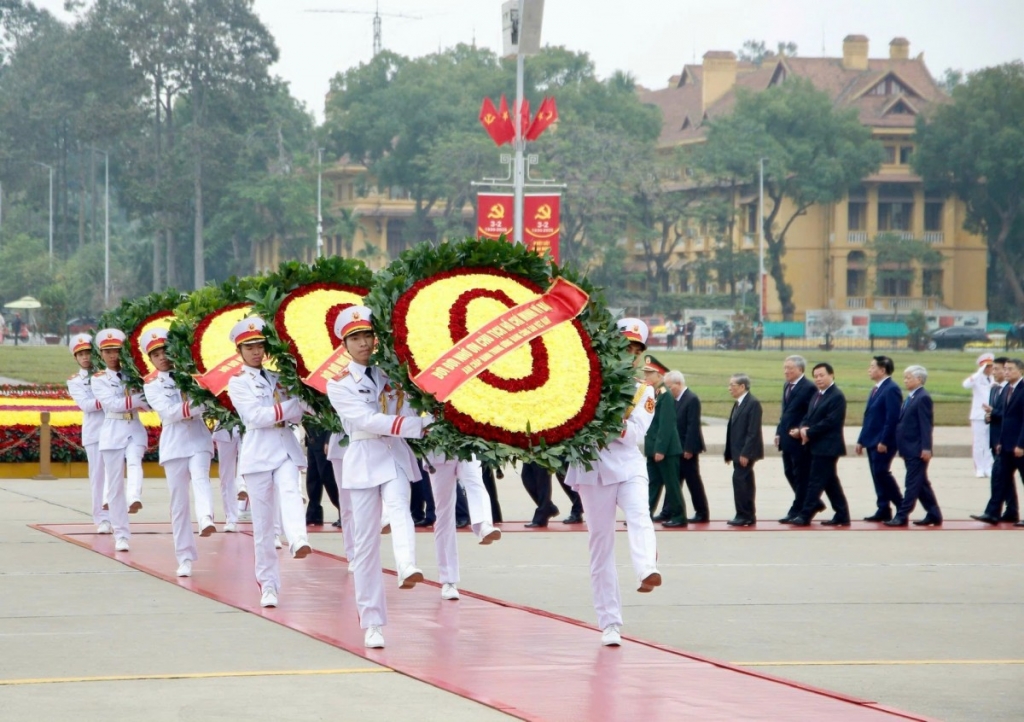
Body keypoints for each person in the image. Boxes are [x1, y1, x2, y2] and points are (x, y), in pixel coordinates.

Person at [325, 305, 431, 648]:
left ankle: (407, 565)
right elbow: (366, 420)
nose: (363, 343)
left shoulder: (393, 374)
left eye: (368, 336)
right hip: (364, 456)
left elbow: (410, 404)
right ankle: (372, 622)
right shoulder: (338, 384)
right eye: (355, 338)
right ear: (345, 344)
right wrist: (417, 427)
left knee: (400, 506)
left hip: (395, 454)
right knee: (366, 545)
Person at [565, 316, 660, 647]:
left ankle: (647, 568)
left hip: (628, 465)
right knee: (601, 545)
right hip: (593, 469)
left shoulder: (643, 391)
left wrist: (610, 422)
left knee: (639, 516)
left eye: (635, 348)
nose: (628, 352)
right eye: (624, 345)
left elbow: (635, 433)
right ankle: (610, 623)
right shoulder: (584, 380)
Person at [226, 317, 312, 609]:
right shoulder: (237, 383)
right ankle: (269, 585)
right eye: (249, 347)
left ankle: (298, 538)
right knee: (263, 527)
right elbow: (255, 417)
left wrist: (306, 398)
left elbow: (298, 416)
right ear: (239, 350)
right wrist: (292, 405)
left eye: (260, 346)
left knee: (291, 490)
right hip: (259, 454)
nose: (256, 352)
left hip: (285, 446)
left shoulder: (278, 378)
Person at [140, 328, 216, 577]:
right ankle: (184, 556)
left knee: (201, 477)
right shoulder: (151, 385)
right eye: (156, 354)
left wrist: (193, 405)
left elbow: (208, 400)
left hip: (198, 438)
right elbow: (168, 412)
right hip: (174, 444)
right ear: (150, 359)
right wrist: (194, 406)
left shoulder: (190, 374)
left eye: (165, 351)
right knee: (179, 502)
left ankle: (206, 518)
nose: (163, 357)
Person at [92, 327, 149, 552]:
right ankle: (121, 534)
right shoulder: (98, 379)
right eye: (108, 351)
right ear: (101, 354)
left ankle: (134, 497)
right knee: (114, 487)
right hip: (112, 428)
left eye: (116, 350)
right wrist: (138, 398)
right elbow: (113, 404)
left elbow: (148, 401)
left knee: (135, 460)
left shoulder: (134, 374)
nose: (113, 355)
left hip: (133, 426)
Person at [425, 454, 502, 600]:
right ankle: (448, 580)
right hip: (437, 451)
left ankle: (483, 525)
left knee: (475, 481)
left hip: (466, 444)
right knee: (444, 513)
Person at [787, 362, 851, 526]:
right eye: (816, 376)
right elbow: (808, 417)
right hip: (816, 446)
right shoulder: (817, 395)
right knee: (830, 482)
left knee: (815, 481)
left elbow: (830, 422)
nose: (819, 379)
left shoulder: (836, 396)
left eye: (822, 375)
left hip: (828, 447)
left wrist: (808, 432)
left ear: (832, 375)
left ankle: (805, 515)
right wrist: (801, 429)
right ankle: (842, 514)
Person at [886, 365, 943, 526]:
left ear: (919, 379)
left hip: (917, 449)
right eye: (904, 377)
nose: (905, 380)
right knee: (921, 484)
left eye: (908, 378)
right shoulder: (911, 396)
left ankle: (902, 515)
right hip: (908, 448)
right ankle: (934, 513)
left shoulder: (922, 397)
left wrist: (926, 448)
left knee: (912, 484)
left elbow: (926, 425)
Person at [66, 332, 110, 534]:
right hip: (94, 433)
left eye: (88, 353)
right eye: (81, 354)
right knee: (98, 477)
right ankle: (101, 518)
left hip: (113, 430)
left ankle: (114, 516)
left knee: (114, 476)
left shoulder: (106, 373)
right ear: (75, 357)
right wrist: (110, 400)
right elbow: (86, 405)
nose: (85, 357)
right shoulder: (75, 381)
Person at [855, 355, 904, 522]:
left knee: (881, 472)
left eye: (872, 366)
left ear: (882, 370)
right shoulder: (876, 388)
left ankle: (901, 506)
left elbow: (892, 418)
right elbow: (870, 417)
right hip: (871, 439)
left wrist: (884, 441)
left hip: (883, 442)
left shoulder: (891, 389)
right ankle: (883, 508)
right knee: (877, 475)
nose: (869, 369)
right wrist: (861, 440)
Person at [972, 357, 1017, 524]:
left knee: (999, 477)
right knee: (1003, 478)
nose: (996, 372)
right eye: (996, 369)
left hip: (1006, 441)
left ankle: (993, 513)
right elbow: (997, 414)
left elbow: (1010, 416)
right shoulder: (994, 389)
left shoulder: (1009, 390)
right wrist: (989, 415)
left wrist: (994, 412)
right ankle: (1009, 511)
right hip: (997, 440)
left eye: (999, 369)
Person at [643, 355, 686, 527]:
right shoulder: (653, 394)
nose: (646, 377)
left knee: (671, 485)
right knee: (652, 484)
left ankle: (679, 516)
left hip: (665, 450)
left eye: (649, 374)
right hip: (654, 448)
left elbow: (666, 425)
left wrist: (660, 449)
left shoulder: (665, 395)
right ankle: (644, 515)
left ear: (659, 375)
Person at [776, 356, 820, 523]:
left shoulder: (808, 387)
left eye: (790, 368)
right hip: (786, 438)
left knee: (801, 475)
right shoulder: (787, 385)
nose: (786, 371)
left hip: (799, 439)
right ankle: (811, 502)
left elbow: (811, 413)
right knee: (789, 472)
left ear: (800, 370)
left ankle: (799, 508)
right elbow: (785, 413)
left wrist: (802, 430)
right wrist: (778, 432)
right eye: (785, 367)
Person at [664, 370, 709, 522]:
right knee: (673, 481)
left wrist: (689, 448)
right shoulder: (676, 399)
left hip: (688, 449)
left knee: (693, 482)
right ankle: (668, 511)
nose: (668, 390)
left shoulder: (691, 399)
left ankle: (702, 513)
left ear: (678, 384)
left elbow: (693, 426)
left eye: (670, 387)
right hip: (677, 449)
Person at [723, 373, 764, 526]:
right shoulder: (739, 403)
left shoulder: (752, 403)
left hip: (746, 452)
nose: (729, 389)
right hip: (737, 452)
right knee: (744, 481)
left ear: (742, 386)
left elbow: (753, 432)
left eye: (732, 385)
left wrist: (746, 453)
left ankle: (744, 514)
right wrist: (729, 453)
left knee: (739, 480)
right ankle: (747, 515)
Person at [993, 358, 1024, 528]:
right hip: (1005, 444)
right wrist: (1000, 441)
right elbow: (1006, 419)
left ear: (1020, 371)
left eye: (1010, 369)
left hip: (1019, 446)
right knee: (1001, 479)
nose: (1006, 372)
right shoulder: (1007, 389)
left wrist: (1021, 444)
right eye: (1005, 369)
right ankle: (992, 513)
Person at [963, 353, 995, 478]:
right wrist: (979, 372)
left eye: (991, 366)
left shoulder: (993, 378)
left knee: (989, 442)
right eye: (986, 366)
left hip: (991, 414)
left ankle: (988, 466)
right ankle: (979, 468)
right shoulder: (977, 379)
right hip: (978, 415)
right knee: (979, 443)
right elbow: (965, 384)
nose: (989, 369)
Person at [304, 423, 340, 527]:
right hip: (312, 437)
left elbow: (332, 415)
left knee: (328, 478)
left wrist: (328, 440)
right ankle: (314, 514)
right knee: (312, 478)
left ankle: (344, 511)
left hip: (323, 437)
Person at [211, 425, 241, 531]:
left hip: (249, 428)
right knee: (226, 476)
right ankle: (231, 519)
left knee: (248, 470)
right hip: (224, 429)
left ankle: (242, 486)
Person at [521, 460, 558, 528]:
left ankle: (540, 519)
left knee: (542, 483)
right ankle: (549, 508)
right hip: (528, 453)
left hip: (541, 452)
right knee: (526, 477)